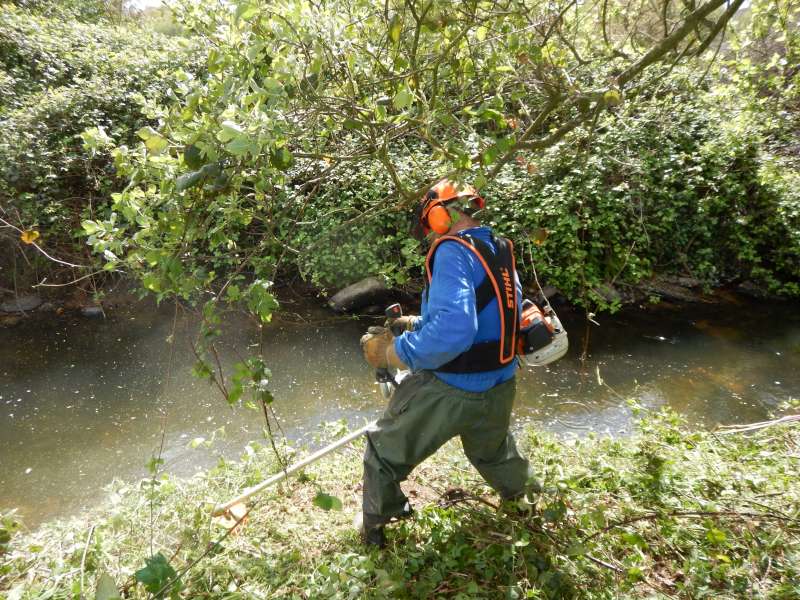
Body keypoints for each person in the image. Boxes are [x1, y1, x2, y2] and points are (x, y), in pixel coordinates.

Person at [358, 179, 533, 548]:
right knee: (493, 452)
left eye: (429, 223)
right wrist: (416, 324)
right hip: (500, 384)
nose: (429, 233)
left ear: (439, 215)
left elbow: (454, 331)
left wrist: (393, 353)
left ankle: (375, 530)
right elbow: (496, 313)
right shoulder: (498, 248)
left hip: (452, 388)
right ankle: (526, 506)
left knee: (382, 452)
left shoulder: (451, 250)